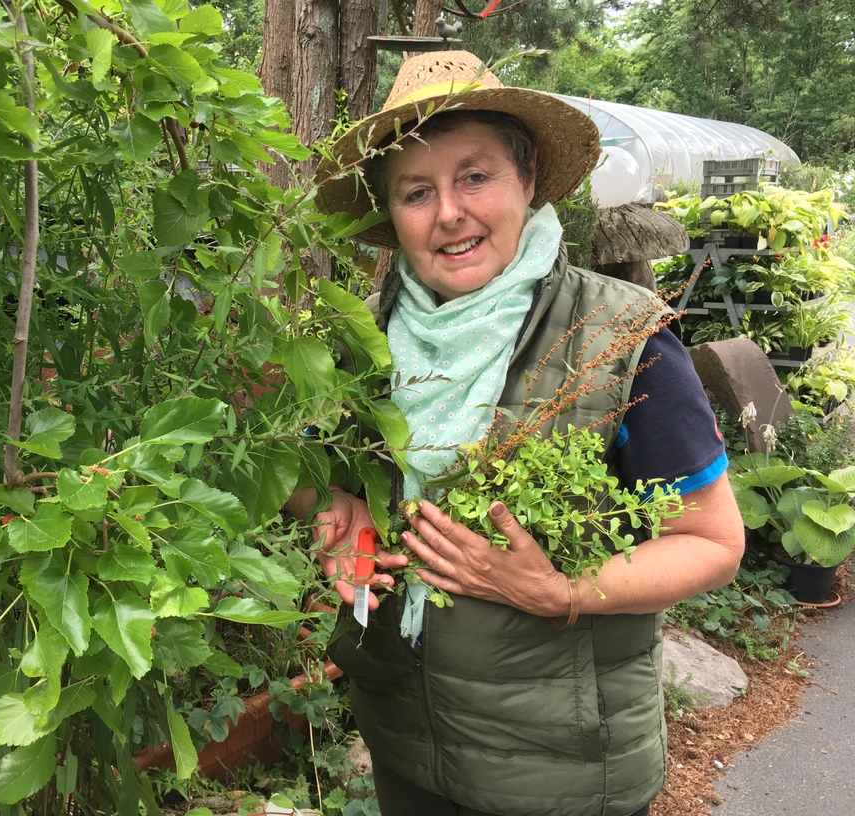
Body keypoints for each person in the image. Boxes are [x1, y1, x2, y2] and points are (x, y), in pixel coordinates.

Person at [286, 51, 745, 816]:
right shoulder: (362, 342)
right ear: (388, 212)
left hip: (561, 774)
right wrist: (336, 511)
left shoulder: (620, 337)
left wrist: (561, 590)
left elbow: (713, 542)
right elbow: (302, 474)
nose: (448, 214)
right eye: (416, 191)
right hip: (404, 741)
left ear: (528, 180)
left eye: (475, 176)